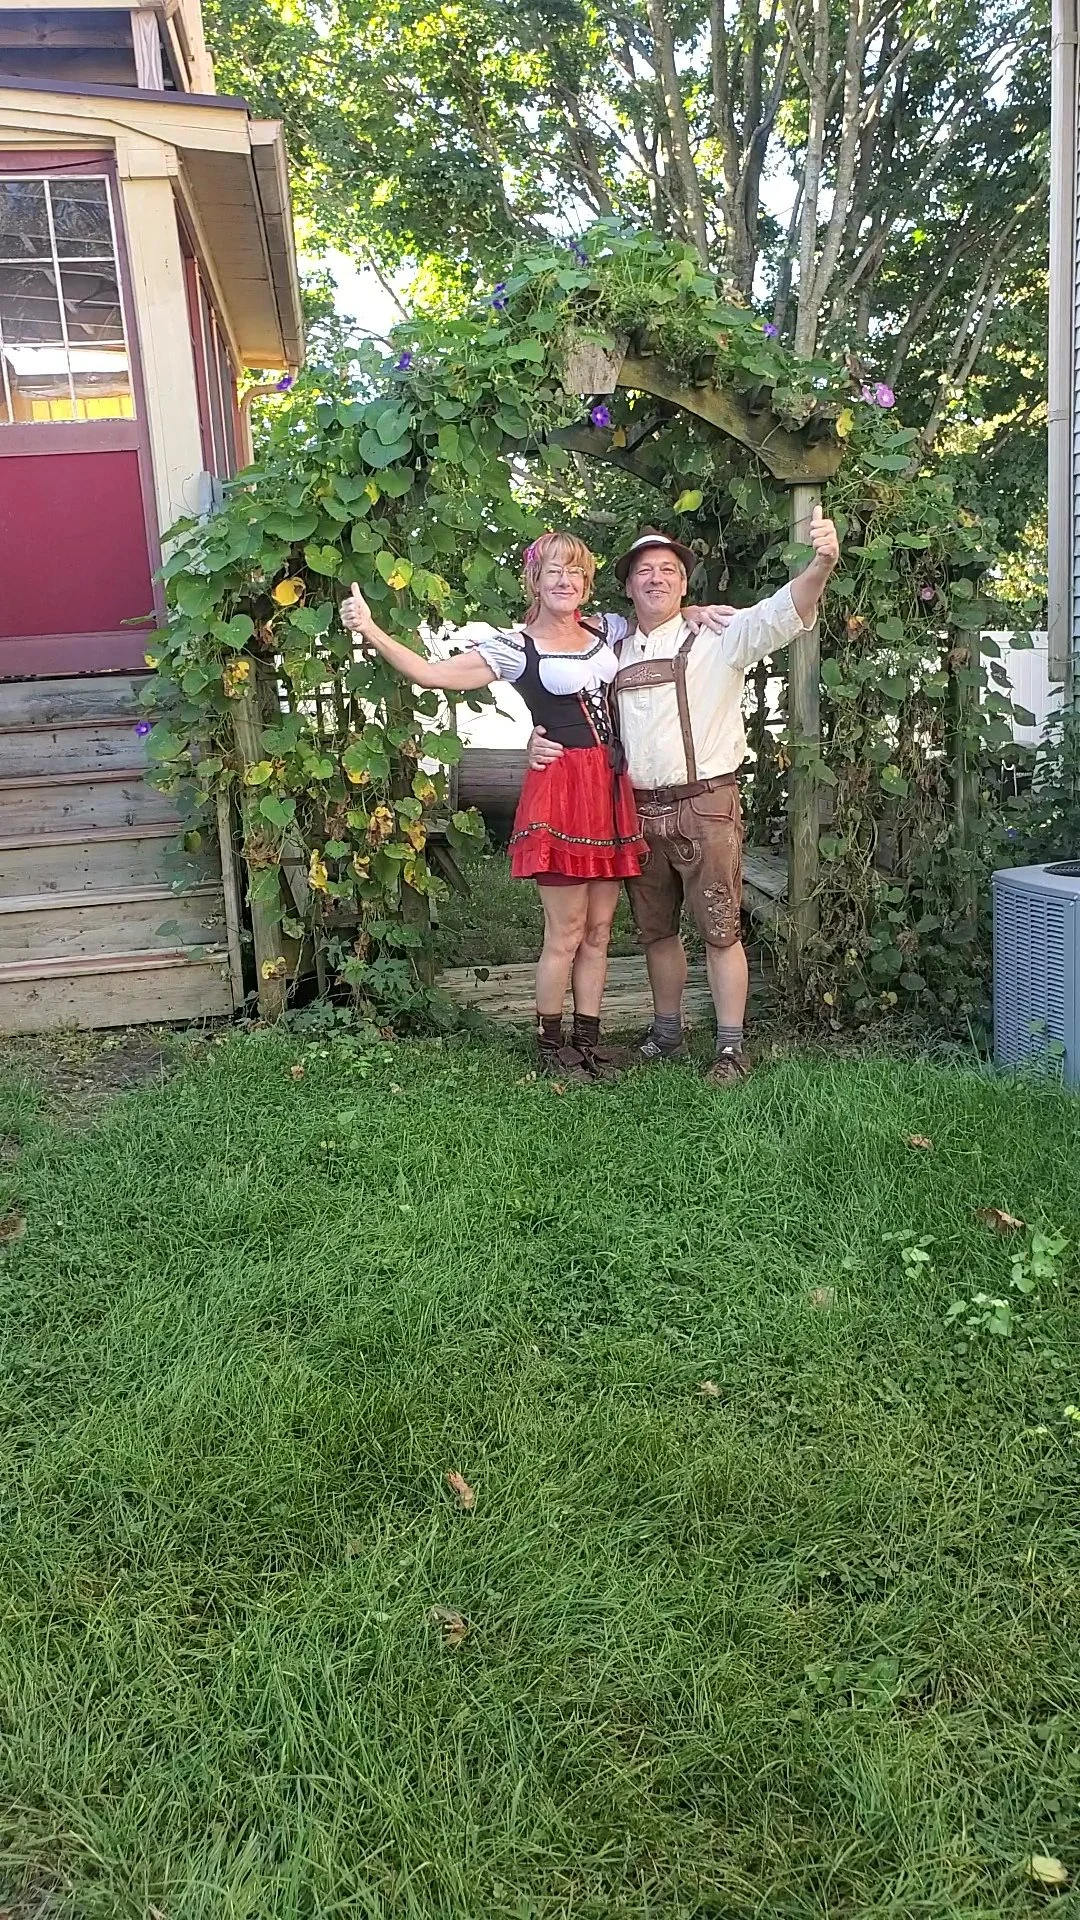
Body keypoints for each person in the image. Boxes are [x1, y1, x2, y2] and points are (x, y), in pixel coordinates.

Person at [340, 530, 733, 1079]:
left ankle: (587, 1042)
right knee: (566, 932)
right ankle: (551, 1047)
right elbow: (432, 675)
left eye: (575, 571)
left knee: (600, 931)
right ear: (535, 580)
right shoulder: (516, 646)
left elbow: (655, 616)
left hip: (609, 789)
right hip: (563, 789)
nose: (565, 581)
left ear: (587, 582)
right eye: (554, 571)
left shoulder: (606, 630)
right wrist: (371, 629)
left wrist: (692, 610)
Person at [525, 511, 841, 1086]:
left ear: (684, 583)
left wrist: (821, 563)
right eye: (644, 571)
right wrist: (537, 737)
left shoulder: (721, 636)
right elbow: (558, 676)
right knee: (655, 931)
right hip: (633, 812)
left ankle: (730, 1048)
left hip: (705, 807)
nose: (656, 578)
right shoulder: (609, 647)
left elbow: (786, 610)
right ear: (627, 586)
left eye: (668, 570)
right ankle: (666, 1032)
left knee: (721, 928)